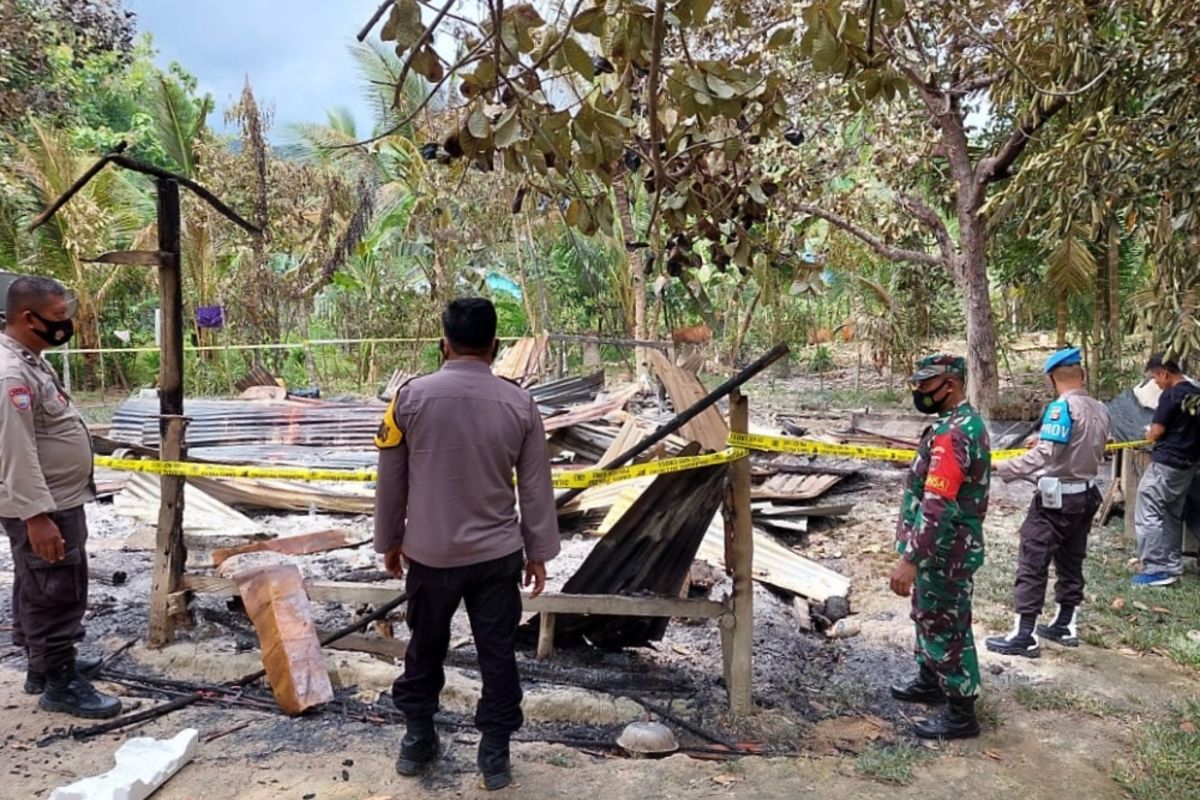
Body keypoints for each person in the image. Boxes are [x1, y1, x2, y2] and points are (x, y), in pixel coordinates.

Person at [374, 297, 560, 791]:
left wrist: (390, 541)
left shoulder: (408, 399)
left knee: (425, 647)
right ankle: (494, 754)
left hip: (429, 556)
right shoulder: (520, 404)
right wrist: (538, 551)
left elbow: (391, 481)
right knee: (496, 654)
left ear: (444, 344)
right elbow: (537, 485)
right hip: (496, 558)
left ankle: (417, 738)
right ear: (495, 346)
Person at [0, 276, 120, 719]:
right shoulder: (10, 371)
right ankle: (61, 683)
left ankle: (41, 666)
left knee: (36, 581)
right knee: (57, 589)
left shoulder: (29, 359)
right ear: (28, 319)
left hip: (55, 496)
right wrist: (37, 516)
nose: (66, 324)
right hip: (44, 504)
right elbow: (14, 448)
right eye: (57, 318)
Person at [889, 354, 990, 740]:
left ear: (950, 385)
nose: (919, 392)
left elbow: (939, 503)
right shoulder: (955, 424)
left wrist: (912, 558)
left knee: (946, 625)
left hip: (945, 550)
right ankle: (929, 681)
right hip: (944, 548)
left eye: (926, 385)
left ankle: (961, 713)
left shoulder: (954, 433)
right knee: (929, 615)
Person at [985, 348, 1110, 657]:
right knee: (1071, 559)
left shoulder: (1060, 408)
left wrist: (1004, 467)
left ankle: (1024, 634)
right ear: (1082, 375)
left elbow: (1046, 455)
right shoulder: (1100, 408)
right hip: (1087, 495)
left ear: (1053, 379)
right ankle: (1066, 623)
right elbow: (1091, 443)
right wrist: (1043, 438)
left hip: (1057, 500)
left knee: (1033, 561)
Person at [1132, 353, 1200, 587]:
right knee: (1172, 511)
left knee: (1147, 507)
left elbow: (1157, 432)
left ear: (1164, 373)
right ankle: (1172, 564)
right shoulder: (1196, 393)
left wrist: (1148, 433)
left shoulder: (1171, 395)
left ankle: (1155, 568)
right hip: (1188, 464)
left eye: (1155, 378)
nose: (1156, 383)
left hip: (1167, 463)